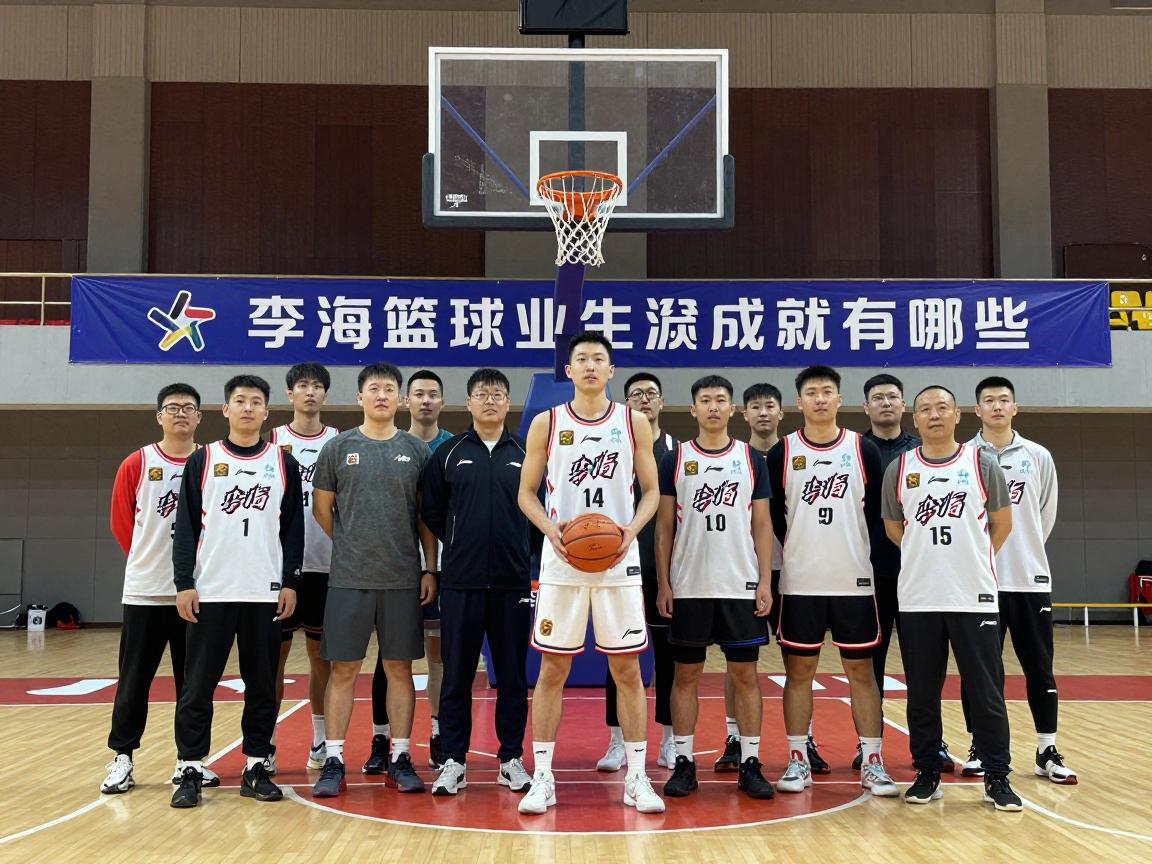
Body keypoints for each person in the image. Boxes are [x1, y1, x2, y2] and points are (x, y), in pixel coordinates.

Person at [516, 331, 664, 815]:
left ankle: (637, 776)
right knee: (552, 670)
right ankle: (543, 777)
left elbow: (651, 492)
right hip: (562, 562)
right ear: (569, 370)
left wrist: (629, 532)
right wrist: (551, 530)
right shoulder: (547, 422)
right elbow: (526, 494)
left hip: (618, 562)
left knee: (627, 670)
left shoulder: (632, 422)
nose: (590, 366)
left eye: (599, 359)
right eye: (581, 359)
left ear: (611, 370)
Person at [882, 385, 1022, 811]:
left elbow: (1001, 525)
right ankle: (927, 771)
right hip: (919, 597)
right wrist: (927, 558)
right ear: (915, 419)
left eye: (942, 407)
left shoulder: (981, 463)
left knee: (985, 691)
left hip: (973, 596)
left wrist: (971, 558)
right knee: (922, 692)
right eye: (925, 409)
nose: (934, 414)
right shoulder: (900, 468)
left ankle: (997, 775)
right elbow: (893, 527)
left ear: (958, 414)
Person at [169, 375, 304, 808]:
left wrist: (290, 581)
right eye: (240, 401)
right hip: (211, 591)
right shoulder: (203, 459)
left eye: (256, 401)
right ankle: (191, 766)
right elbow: (185, 528)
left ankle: (257, 764)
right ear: (225, 409)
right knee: (197, 685)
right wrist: (184, 583)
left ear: (267, 412)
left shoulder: (282, 463)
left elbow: (293, 530)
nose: (248, 408)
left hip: (264, 591)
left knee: (262, 684)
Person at [765, 365, 897, 798]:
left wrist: (859, 556)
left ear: (839, 399)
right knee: (798, 672)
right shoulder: (782, 452)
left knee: (862, 671)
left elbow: (876, 517)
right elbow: (776, 517)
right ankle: (797, 758)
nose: (819, 399)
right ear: (798, 402)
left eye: (827, 392)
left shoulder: (863, 449)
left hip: (853, 581)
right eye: (811, 392)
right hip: (800, 583)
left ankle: (872, 760)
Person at [310, 362, 437, 799]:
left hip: (402, 578)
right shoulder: (337, 448)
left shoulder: (416, 451)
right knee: (343, 669)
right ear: (360, 397)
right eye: (373, 388)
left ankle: (400, 757)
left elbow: (424, 517)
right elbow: (322, 510)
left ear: (400, 399)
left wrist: (429, 567)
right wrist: (353, 544)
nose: (381, 395)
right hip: (349, 578)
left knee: (399, 669)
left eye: (388, 389)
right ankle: (334, 760)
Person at [656, 375, 775, 801]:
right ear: (693, 410)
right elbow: (664, 527)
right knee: (685, 675)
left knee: (745, 674)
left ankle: (750, 762)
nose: (712, 406)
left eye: (720, 400)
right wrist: (664, 582)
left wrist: (765, 580)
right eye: (704, 400)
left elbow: (762, 524)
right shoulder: (675, 458)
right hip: (689, 585)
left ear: (731, 409)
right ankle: (684, 762)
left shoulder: (750, 458)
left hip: (739, 585)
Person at [101, 384, 221, 793]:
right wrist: (150, 562)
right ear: (159, 416)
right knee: (134, 680)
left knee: (194, 685)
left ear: (200, 416)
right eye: (172, 407)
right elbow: (122, 524)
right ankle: (122, 757)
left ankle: (190, 760)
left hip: (197, 595)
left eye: (189, 408)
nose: (181, 414)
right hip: (146, 592)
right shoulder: (138, 462)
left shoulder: (212, 461)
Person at [423, 368, 534, 796]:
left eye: (498, 394)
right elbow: (433, 512)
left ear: (509, 403)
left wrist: (520, 550)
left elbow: (541, 514)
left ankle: (510, 759)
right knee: (456, 676)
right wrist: (458, 544)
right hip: (461, 583)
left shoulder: (526, 452)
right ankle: (453, 760)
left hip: (512, 584)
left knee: (512, 677)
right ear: (468, 403)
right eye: (482, 394)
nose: (490, 400)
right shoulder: (448, 454)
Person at [960, 376, 1075, 784]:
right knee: (981, 673)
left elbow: (1045, 515)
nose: (996, 406)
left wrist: (1023, 550)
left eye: (1004, 400)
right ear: (976, 409)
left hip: (1029, 579)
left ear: (1015, 407)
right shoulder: (965, 456)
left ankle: (1046, 750)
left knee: (1039, 669)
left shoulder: (1038, 456)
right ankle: (980, 746)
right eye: (989, 400)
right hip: (981, 583)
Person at [715, 382, 834, 774]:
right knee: (738, 662)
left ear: (783, 412)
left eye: (770, 405)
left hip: (794, 572)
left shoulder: (794, 455)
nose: (763, 412)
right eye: (755, 406)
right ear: (743, 413)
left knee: (798, 664)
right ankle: (735, 738)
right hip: (743, 572)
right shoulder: (735, 457)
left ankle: (804, 741)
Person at [854, 374, 947, 772]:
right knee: (869, 665)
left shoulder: (921, 450)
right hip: (868, 574)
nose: (886, 403)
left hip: (919, 576)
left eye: (893, 396)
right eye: (878, 397)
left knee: (923, 666)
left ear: (904, 404)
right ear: (866, 407)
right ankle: (868, 744)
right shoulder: (854, 450)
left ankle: (931, 744)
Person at [367, 370, 454, 772]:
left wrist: (434, 566)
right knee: (390, 657)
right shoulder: (388, 443)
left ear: (442, 402)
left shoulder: (453, 448)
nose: (425, 400)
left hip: (439, 567)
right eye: (418, 394)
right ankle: (381, 738)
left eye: (433, 394)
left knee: (437, 655)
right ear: (406, 400)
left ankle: (438, 732)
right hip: (394, 567)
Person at [597, 372, 677, 773]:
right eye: (636, 395)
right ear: (625, 405)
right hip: (619, 567)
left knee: (669, 658)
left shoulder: (677, 451)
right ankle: (617, 740)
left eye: (651, 394)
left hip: (665, 572)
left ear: (662, 402)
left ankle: (669, 739)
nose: (644, 400)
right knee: (618, 658)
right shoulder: (614, 451)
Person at [270, 363, 339, 774]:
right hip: (279, 570)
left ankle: (320, 739)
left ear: (325, 394)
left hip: (327, 566)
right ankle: (266, 742)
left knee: (320, 657)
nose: (310, 392)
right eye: (302, 386)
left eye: (317, 386)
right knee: (272, 660)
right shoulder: (272, 442)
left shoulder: (339, 442)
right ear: (290, 393)